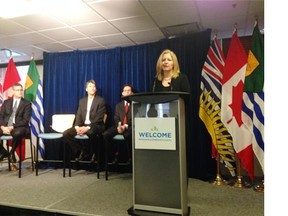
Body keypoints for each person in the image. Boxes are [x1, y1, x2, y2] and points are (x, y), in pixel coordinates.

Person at [63, 80, 106, 162]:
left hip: (96, 125)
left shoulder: (101, 100)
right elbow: (79, 115)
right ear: (86, 89)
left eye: (94, 87)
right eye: (90, 86)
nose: (92, 88)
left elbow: (99, 118)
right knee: (66, 133)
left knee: (90, 132)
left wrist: (87, 128)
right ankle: (81, 151)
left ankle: (94, 153)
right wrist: (77, 127)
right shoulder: (82, 101)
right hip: (83, 125)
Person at [0, 83, 32, 163]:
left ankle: (12, 152)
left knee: (18, 133)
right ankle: (4, 152)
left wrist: (12, 127)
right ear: (13, 91)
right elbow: (1, 116)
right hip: (5, 126)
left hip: (19, 127)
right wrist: (2, 127)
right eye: (17, 90)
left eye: (21, 90)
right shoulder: (6, 102)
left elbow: (25, 120)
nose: (20, 92)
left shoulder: (27, 103)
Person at [103, 84, 134, 164]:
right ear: (122, 93)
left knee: (127, 135)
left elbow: (135, 119)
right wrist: (119, 126)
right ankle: (113, 156)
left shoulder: (136, 105)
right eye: (125, 91)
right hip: (119, 126)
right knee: (106, 134)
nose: (127, 92)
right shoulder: (118, 105)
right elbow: (116, 118)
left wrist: (125, 126)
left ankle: (130, 158)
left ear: (132, 93)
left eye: (129, 90)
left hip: (130, 127)